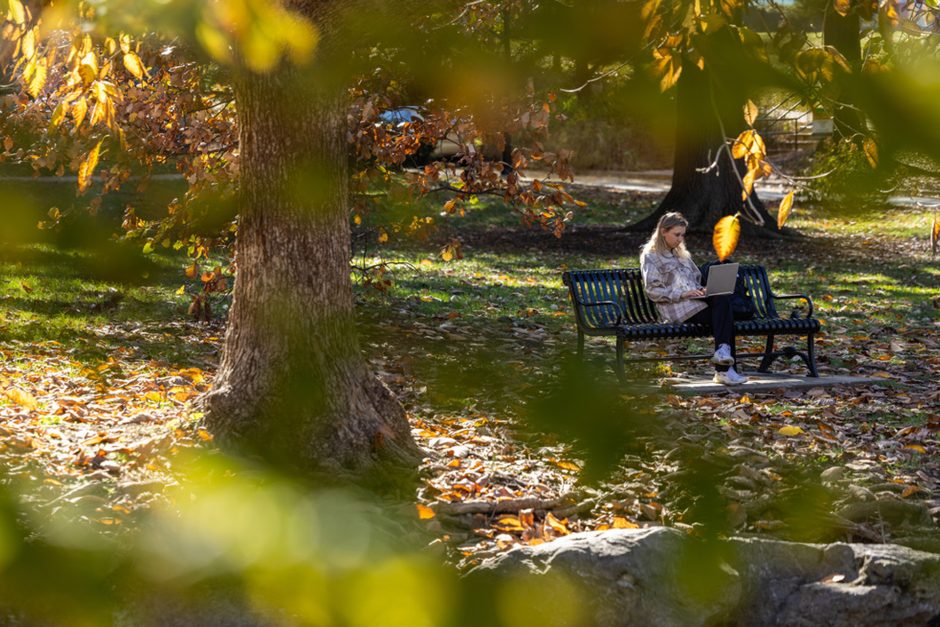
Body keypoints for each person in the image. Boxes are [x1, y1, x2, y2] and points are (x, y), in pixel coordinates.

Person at [639, 212, 748, 386]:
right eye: (677, 235)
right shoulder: (650, 256)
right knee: (724, 315)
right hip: (676, 307)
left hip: (695, 302)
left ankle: (723, 356)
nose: (680, 239)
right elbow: (653, 290)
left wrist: (702, 290)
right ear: (663, 231)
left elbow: (695, 281)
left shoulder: (682, 255)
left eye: (682, 235)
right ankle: (724, 370)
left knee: (721, 298)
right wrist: (682, 294)